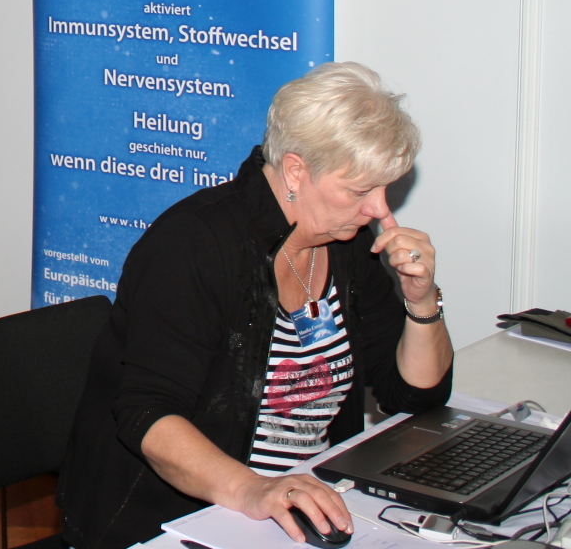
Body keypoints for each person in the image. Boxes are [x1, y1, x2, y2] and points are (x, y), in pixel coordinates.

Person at [58, 62, 454, 549]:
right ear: (296, 171)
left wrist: (422, 301)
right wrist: (256, 490)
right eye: (360, 190)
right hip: (176, 517)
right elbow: (148, 417)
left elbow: (412, 397)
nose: (379, 209)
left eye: (384, 188)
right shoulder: (194, 244)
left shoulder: (347, 243)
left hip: (306, 500)